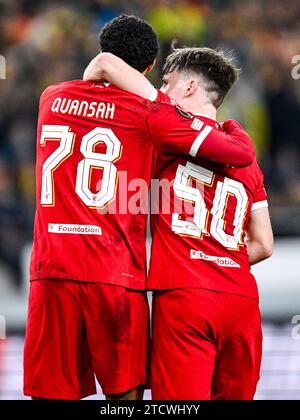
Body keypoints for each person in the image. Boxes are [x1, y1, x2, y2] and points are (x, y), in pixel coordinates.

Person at [24, 15, 254, 401]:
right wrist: (228, 127)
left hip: (51, 271)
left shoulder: (50, 97)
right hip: (114, 273)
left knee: (50, 392)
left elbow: (95, 79)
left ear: (102, 50)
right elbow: (238, 153)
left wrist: (98, 69)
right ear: (147, 69)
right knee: (125, 398)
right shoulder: (151, 116)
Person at [84, 46, 273, 399]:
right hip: (242, 300)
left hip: (185, 297)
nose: (161, 91)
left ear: (187, 88)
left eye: (167, 82)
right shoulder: (247, 158)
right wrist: (220, 263)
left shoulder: (160, 134)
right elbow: (263, 244)